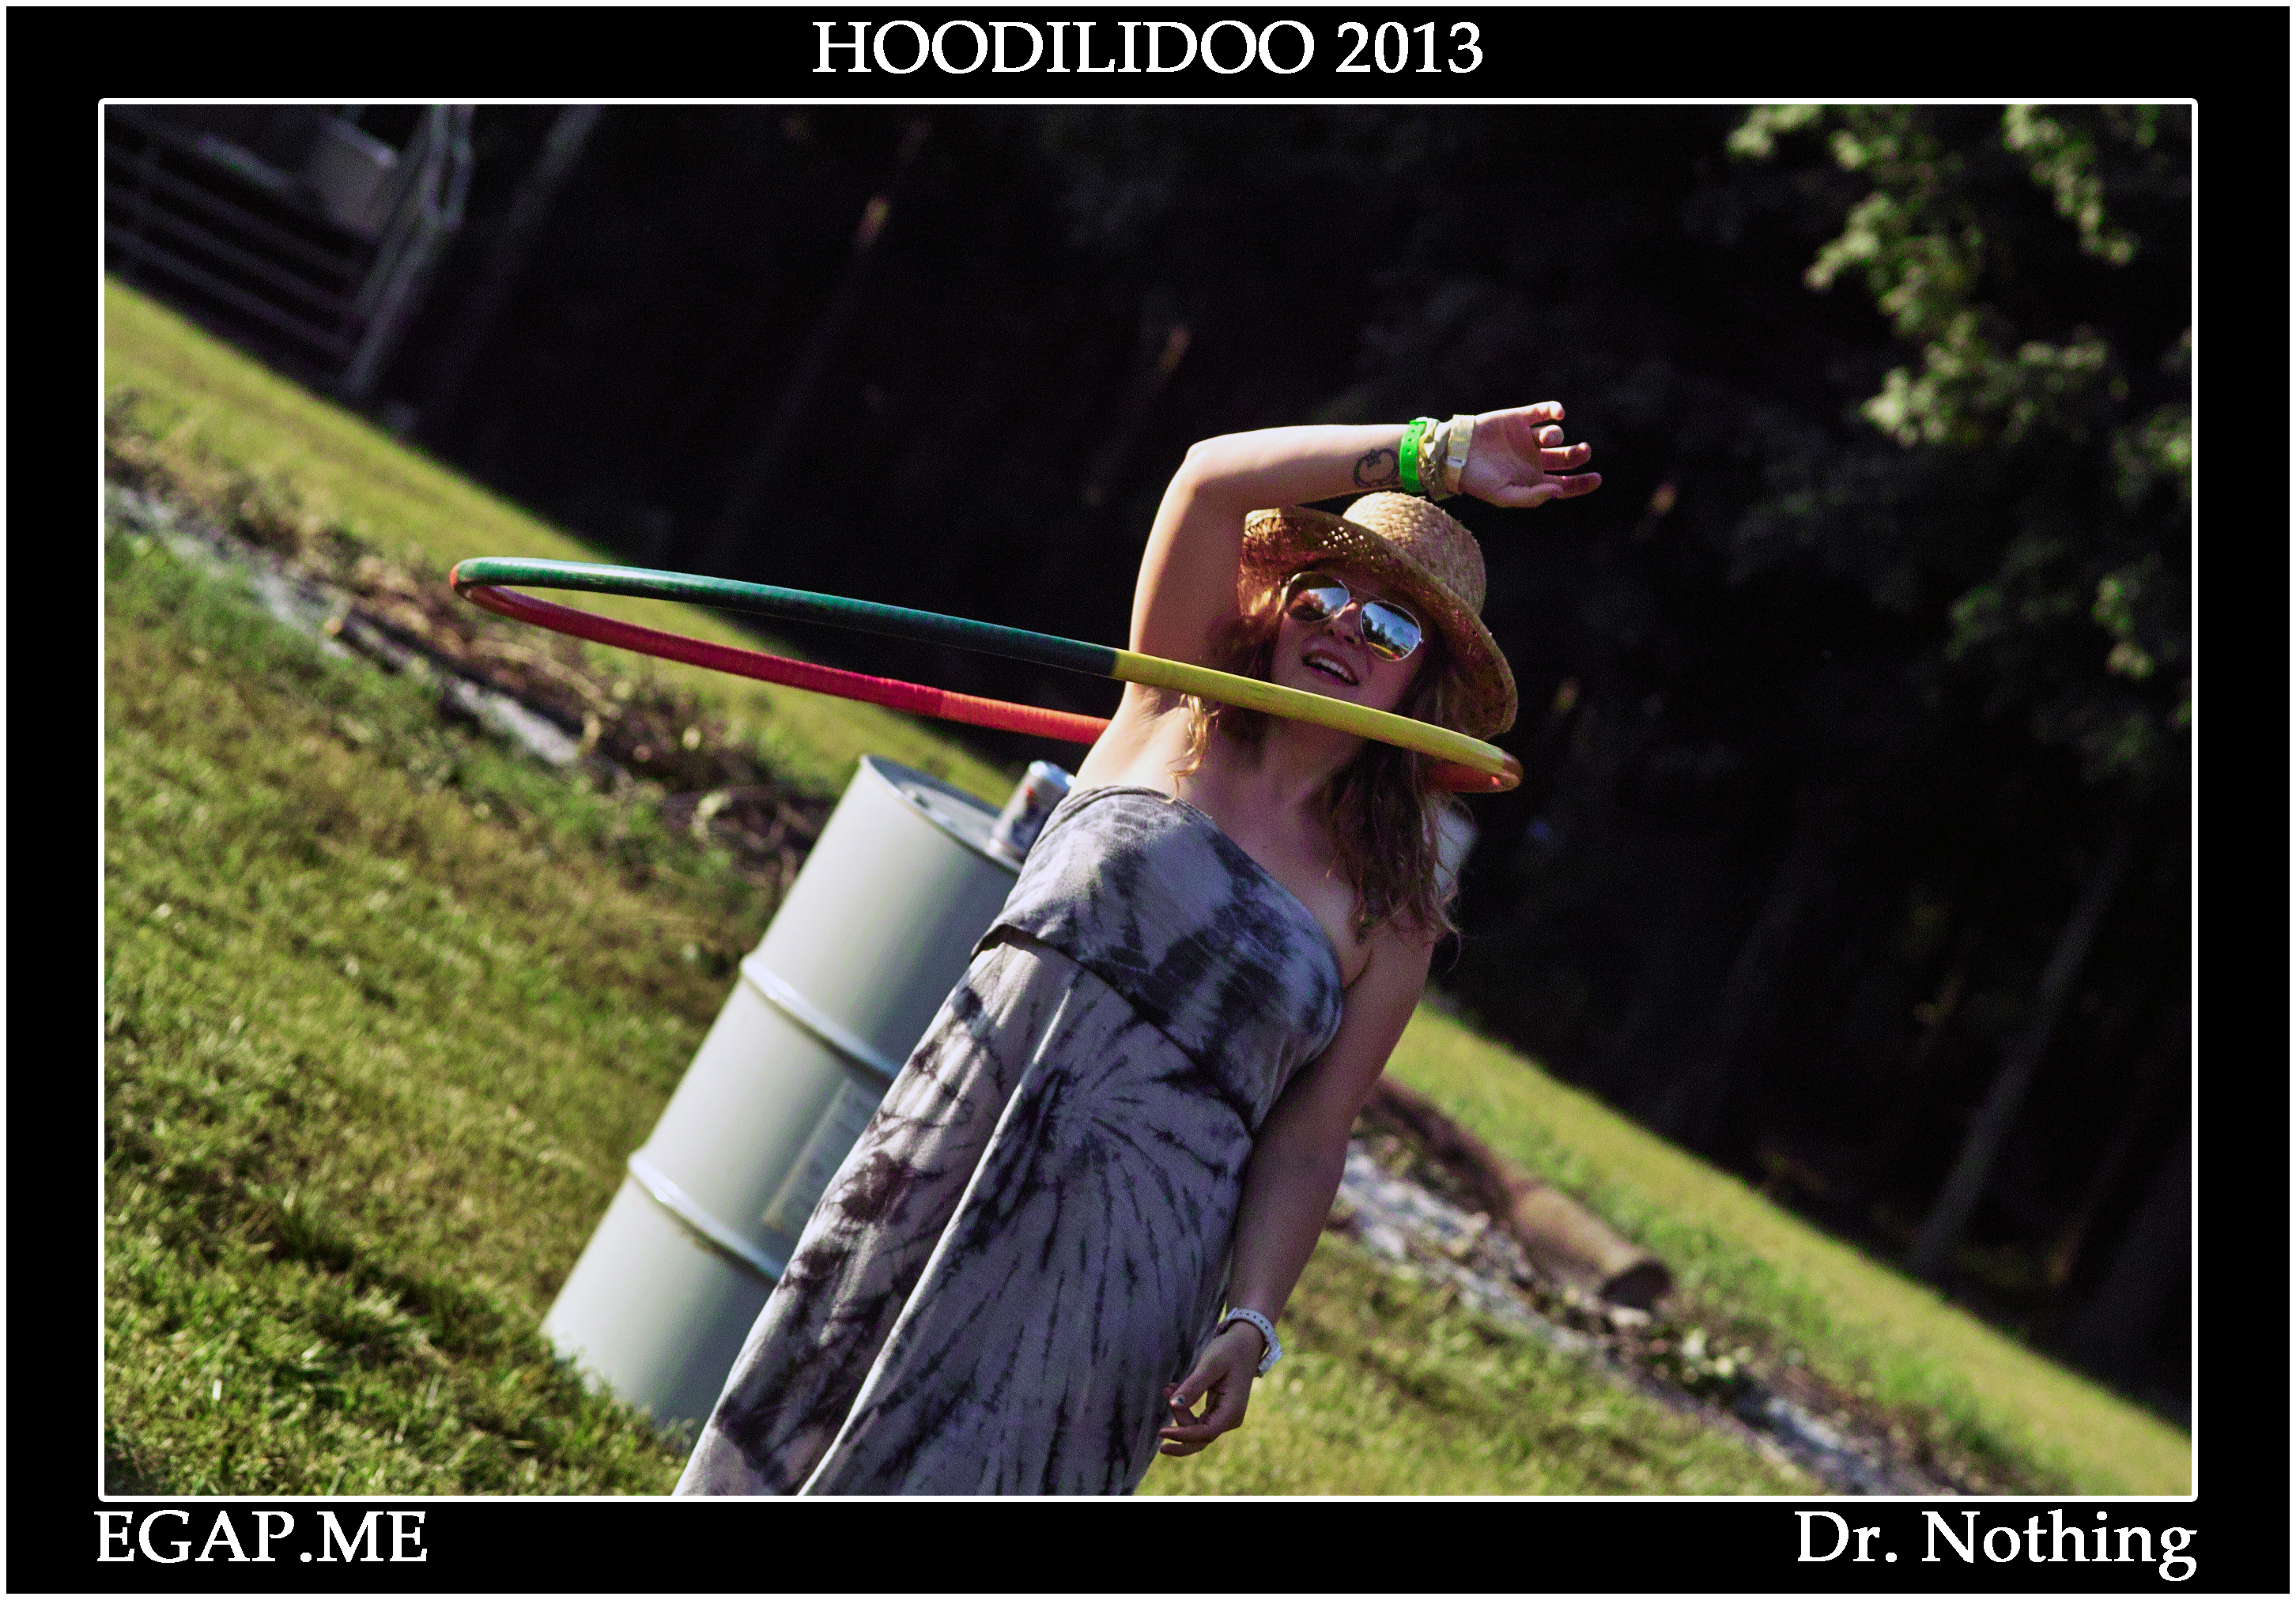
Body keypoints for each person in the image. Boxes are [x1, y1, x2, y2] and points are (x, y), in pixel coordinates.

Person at [674, 403, 1599, 1495]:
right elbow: (1208, 480)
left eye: (1391, 628)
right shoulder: (1167, 710)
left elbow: (1310, 1141)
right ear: (1280, 612)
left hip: (1125, 1269)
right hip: (948, 1152)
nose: (1348, 629)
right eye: (1324, 597)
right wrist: (1433, 453)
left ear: (1422, 687)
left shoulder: (1390, 914)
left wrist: (1253, 1318)